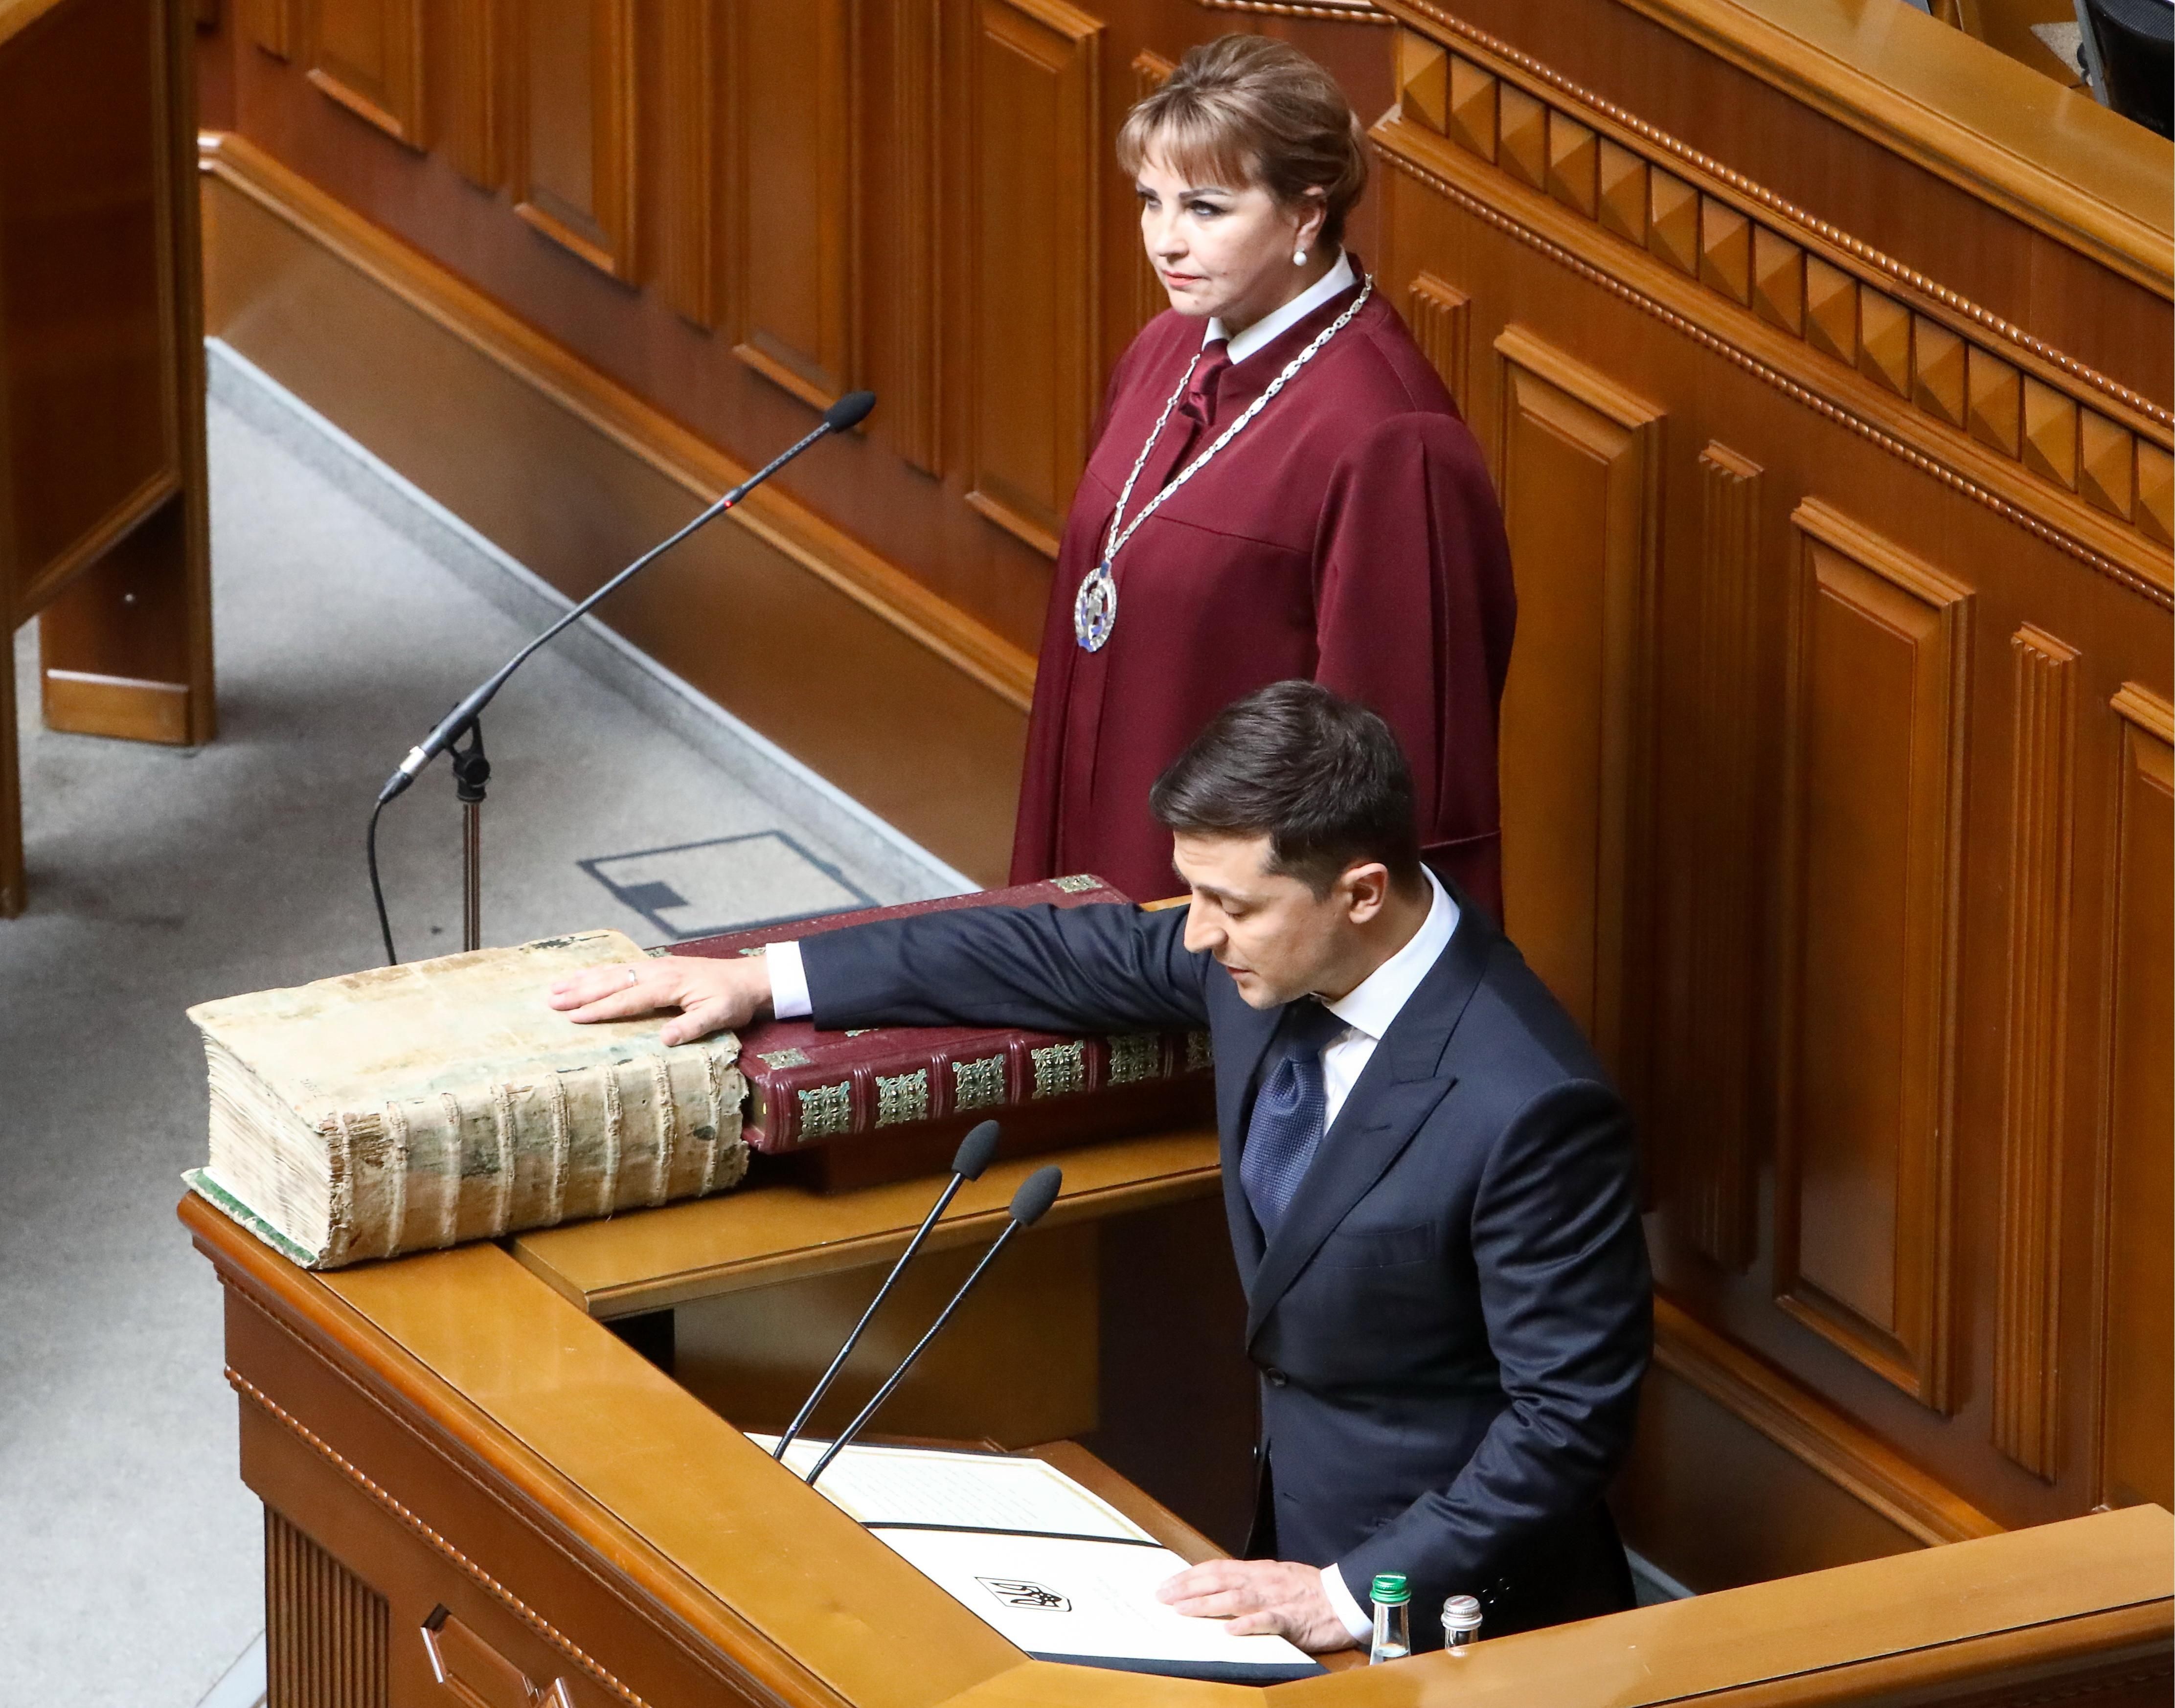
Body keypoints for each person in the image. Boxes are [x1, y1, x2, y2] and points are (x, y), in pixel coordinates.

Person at [551, 681, 1651, 1654]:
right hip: (1283, 1533)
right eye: (1194, 894)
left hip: (1452, 1611)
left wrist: (1349, 1593)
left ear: (1361, 893)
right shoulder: (1271, 955)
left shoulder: (1530, 1104)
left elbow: (1566, 1422)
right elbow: (1055, 952)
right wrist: (764, 979)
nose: (1197, 935)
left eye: (1230, 906)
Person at [1011, 36, 1515, 919]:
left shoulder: (1392, 438)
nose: (1166, 241)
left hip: (1232, 916)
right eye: (1151, 201)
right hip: (1094, 836)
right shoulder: (1167, 345)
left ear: (1306, 215)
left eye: (1206, 208)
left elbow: (1391, 775)